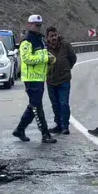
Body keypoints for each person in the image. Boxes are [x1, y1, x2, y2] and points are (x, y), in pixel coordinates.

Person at [14, 14, 57, 144]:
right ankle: (45, 133)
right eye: (36, 25)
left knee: (34, 106)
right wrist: (45, 58)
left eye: (39, 25)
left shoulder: (40, 39)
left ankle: (20, 129)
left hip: (40, 77)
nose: (38, 27)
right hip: (31, 79)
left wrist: (50, 58)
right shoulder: (26, 41)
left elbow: (43, 55)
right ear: (29, 25)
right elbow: (27, 58)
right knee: (36, 106)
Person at [45, 26, 77, 135]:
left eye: (55, 35)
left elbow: (73, 58)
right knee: (55, 104)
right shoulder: (45, 48)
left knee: (64, 103)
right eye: (51, 36)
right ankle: (58, 125)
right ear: (47, 37)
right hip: (50, 80)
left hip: (64, 80)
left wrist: (66, 69)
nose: (54, 37)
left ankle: (65, 126)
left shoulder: (65, 45)